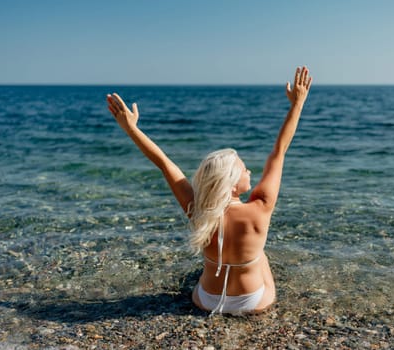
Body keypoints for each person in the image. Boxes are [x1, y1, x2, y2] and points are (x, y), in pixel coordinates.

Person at [106, 66, 312, 315]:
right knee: (262, 257)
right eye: (244, 170)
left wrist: (132, 129)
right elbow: (279, 151)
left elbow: (163, 163)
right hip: (253, 301)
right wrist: (297, 104)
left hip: (206, 299)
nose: (249, 173)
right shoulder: (260, 207)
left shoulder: (197, 209)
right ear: (233, 184)